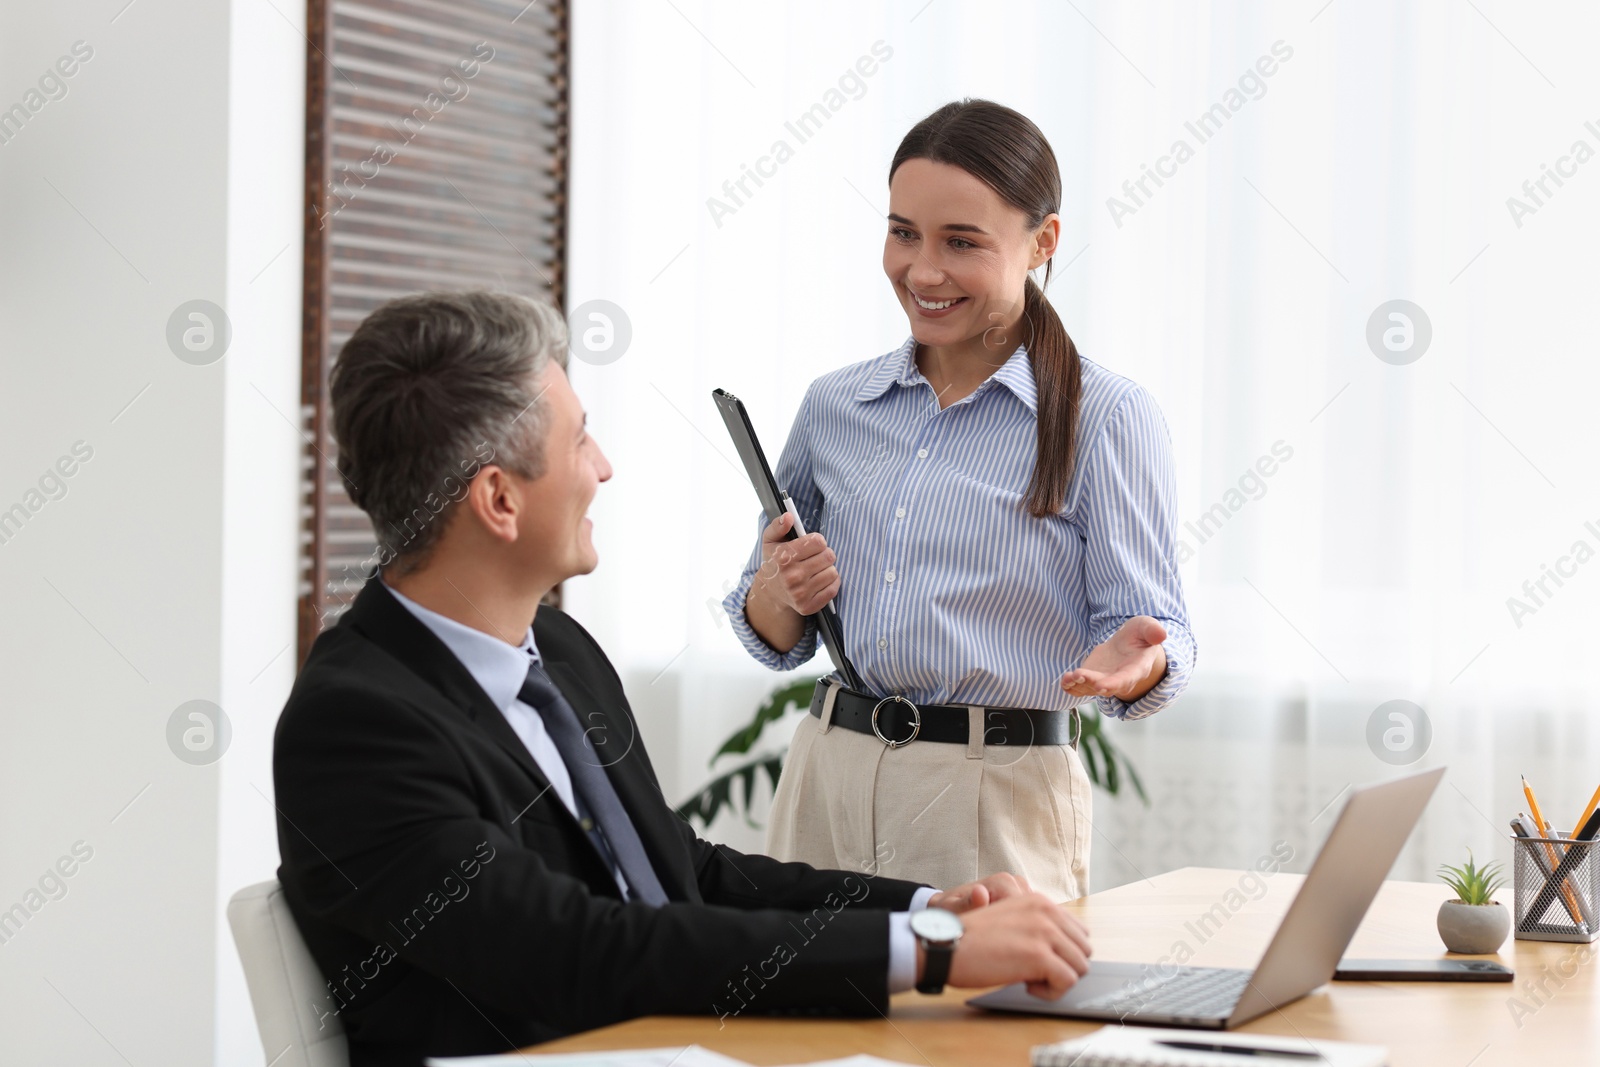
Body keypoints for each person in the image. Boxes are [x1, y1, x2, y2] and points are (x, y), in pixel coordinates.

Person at [272, 290, 1094, 1067]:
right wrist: (929, 955)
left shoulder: (557, 649)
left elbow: (682, 874)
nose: (603, 466)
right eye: (578, 440)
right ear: (498, 499)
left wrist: (925, 911)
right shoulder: (356, 724)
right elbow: (579, 949)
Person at [724, 100, 1196, 903]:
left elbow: (1158, 631)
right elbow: (772, 631)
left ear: (1043, 242)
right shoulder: (836, 405)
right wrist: (778, 591)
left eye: (962, 242)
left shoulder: (1104, 417)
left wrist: (1138, 662)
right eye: (904, 232)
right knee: (799, 1023)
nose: (923, 270)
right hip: (828, 777)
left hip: (995, 798)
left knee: (982, 1026)